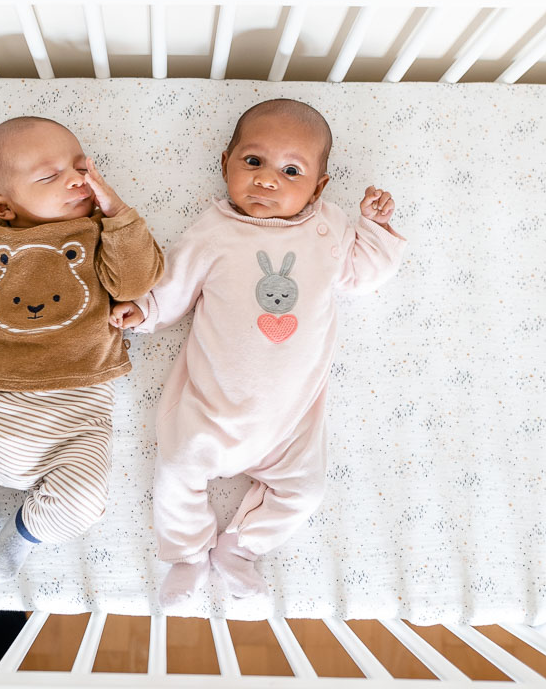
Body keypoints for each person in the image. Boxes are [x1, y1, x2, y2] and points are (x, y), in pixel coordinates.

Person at [111, 99, 406, 607]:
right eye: (253, 162)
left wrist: (373, 228)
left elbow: (363, 277)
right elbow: (174, 283)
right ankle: (185, 554)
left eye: (291, 170)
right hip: (212, 406)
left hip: (291, 420)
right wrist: (145, 310)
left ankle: (241, 547)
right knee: (178, 463)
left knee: (305, 490)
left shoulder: (329, 227)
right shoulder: (214, 230)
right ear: (225, 161)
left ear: (318, 187)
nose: (268, 179)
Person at [0, 116, 164, 581]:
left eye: (79, 168)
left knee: (86, 499)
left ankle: (24, 534)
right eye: (49, 177)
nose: (75, 180)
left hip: (76, 410)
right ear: (3, 207)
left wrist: (119, 215)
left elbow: (136, 280)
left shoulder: (97, 233)